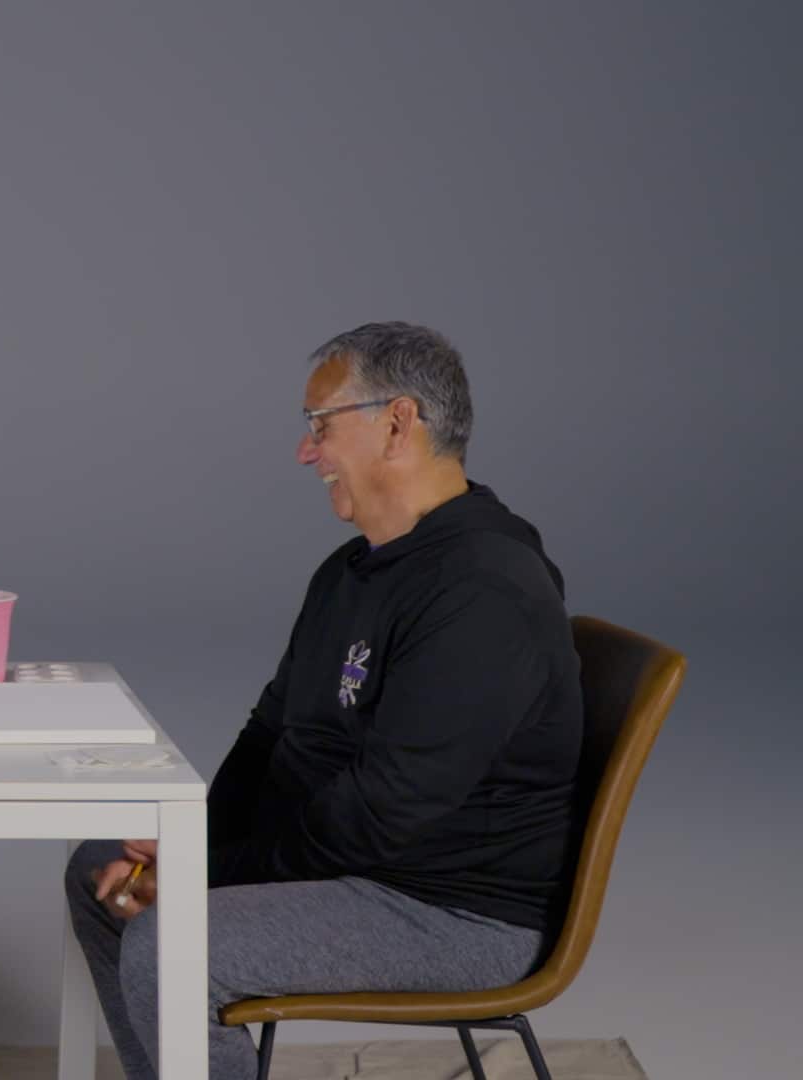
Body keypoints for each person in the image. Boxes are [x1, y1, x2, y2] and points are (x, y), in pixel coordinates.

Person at [66, 322, 583, 1079]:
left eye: (321, 425)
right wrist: (192, 848)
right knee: (99, 868)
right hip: (352, 866)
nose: (306, 453)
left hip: (446, 909)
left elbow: (384, 812)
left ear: (398, 423)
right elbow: (269, 735)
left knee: (167, 946)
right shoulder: (351, 570)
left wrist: (211, 874)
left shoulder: (484, 589)